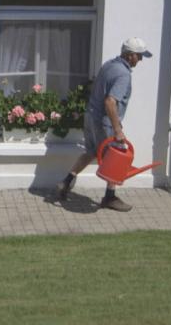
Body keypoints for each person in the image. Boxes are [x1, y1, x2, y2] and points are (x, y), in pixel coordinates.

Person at [55, 37, 153, 212]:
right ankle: (109, 197)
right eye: (139, 56)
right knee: (116, 157)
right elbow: (110, 102)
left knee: (91, 152)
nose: (140, 60)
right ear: (130, 55)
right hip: (105, 122)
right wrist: (117, 129)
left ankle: (66, 182)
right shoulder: (123, 74)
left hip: (91, 116)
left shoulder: (108, 65)